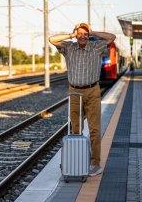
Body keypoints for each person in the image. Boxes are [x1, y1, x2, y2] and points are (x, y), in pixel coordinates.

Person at [49, 23, 116, 176]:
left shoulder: (96, 47)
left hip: (92, 91)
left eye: (85, 33)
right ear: (76, 35)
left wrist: (94, 33)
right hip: (74, 91)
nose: (83, 36)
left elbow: (112, 37)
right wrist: (71, 35)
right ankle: (77, 160)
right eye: (80, 33)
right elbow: (52, 39)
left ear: (88, 35)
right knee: (76, 128)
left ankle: (95, 163)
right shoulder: (69, 48)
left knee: (94, 129)